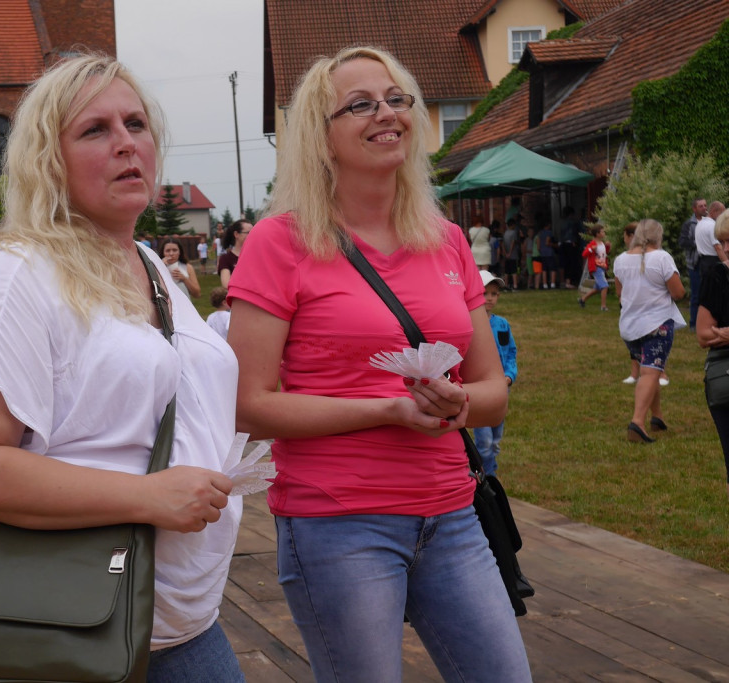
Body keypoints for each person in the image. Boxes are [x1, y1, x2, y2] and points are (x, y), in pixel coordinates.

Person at [0, 54, 245, 680]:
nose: (126, 142)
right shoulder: (17, 278)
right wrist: (148, 496)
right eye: (95, 130)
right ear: (49, 160)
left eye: (136, 123)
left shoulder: (150, 265)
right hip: (77, 634)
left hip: (184, 624)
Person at [226, 45, 530, 682]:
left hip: (451, 513)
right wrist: (389, 410)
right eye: (359, 104)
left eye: (397, 99)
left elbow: (493, 389)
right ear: (323, 136)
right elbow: (248, 405)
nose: (385, 113)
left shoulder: (443, 238)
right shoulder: (280, 241)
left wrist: (459, 404)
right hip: (339, 525)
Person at [612, 219, 686, 443]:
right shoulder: (662, 257)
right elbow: (678, 293)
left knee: (649, 371)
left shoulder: (620, 260)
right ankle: (638, 422)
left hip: (629, 326)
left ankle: (657, 417)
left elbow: (619, 293)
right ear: (657, 236)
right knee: (650, 373)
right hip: (657, 324)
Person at [697, 210, 729, 497]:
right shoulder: (717, 276)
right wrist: (718, 335)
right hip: (725, 382)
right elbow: (704, 334)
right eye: (722, 241)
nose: (726, 247)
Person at [473, 271, 516, 477]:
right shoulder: (469, 324)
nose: (489, 298)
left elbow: (510, 352)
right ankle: (487, 475)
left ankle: (488, 465)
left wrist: (510, 374)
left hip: (501, 387)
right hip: (481, 388)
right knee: (484, 439)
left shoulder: (502, 325)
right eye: (484, 293)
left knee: (496, 436)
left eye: (494, 293)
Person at [618, 223, 670, 387]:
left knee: (653, 344)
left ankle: (661, 373)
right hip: (632, 310)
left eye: (628, 236)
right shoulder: (622, 259)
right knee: (636, 342)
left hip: (651, 312)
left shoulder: (657, 257)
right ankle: (636, 373)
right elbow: (620, 291)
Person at [680, 197, 706, 329]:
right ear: (694, 209)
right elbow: (683, 242)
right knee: (696, 295)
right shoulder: (689, 224)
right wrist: (698, 243)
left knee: (707, 294)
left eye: (705, 205)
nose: (704, 208)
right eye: (700, 206)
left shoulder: (709, 222)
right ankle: (693, 323)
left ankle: (706, 323)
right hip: (694, 264)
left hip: (707, 263)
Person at [579, 224, 611, 311]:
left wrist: (607, 246)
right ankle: (603, 306)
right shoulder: (592, 244)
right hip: (596, 268)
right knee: (604, 286)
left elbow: (604, 253)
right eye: (602, 231)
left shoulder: (602, 243)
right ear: (597, 234)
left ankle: (582, 299)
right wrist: (591, 249)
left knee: (597, 288)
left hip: (602, 267)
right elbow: (584, 254)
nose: (604, 233)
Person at [696, 201, 725, 279]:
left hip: (703, 263)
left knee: (706, 289)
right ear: (714, 211)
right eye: (721, 213)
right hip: (714, 264)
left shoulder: (700, 223)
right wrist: (726, 263)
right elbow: (718, 248)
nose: (722, 217)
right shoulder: (713, 226)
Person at [217, 220, 251, 287]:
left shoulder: (257, 256)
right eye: (248, 232)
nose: (252, 235)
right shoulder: (225, 259)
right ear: (236, 234)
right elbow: (226, 285)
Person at [560, 206, 583, 288]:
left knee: (565, 263)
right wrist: (573, 241)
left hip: (563, 244)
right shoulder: (572, 222)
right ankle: (569, 281)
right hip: (570, 243)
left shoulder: (563, 222)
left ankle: (564, 281)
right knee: (572, 262)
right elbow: (572, 232)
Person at [502, 216, 520, 290]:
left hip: (506, 255)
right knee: (514, 271)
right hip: (512, 255)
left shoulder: (505, 233)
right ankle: (515, 285)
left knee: (507, 271)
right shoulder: (513, 233)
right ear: (512, 225)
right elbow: (513, 243)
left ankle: (506, 285)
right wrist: (510, 252)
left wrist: (505, 253)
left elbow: (502, 243)